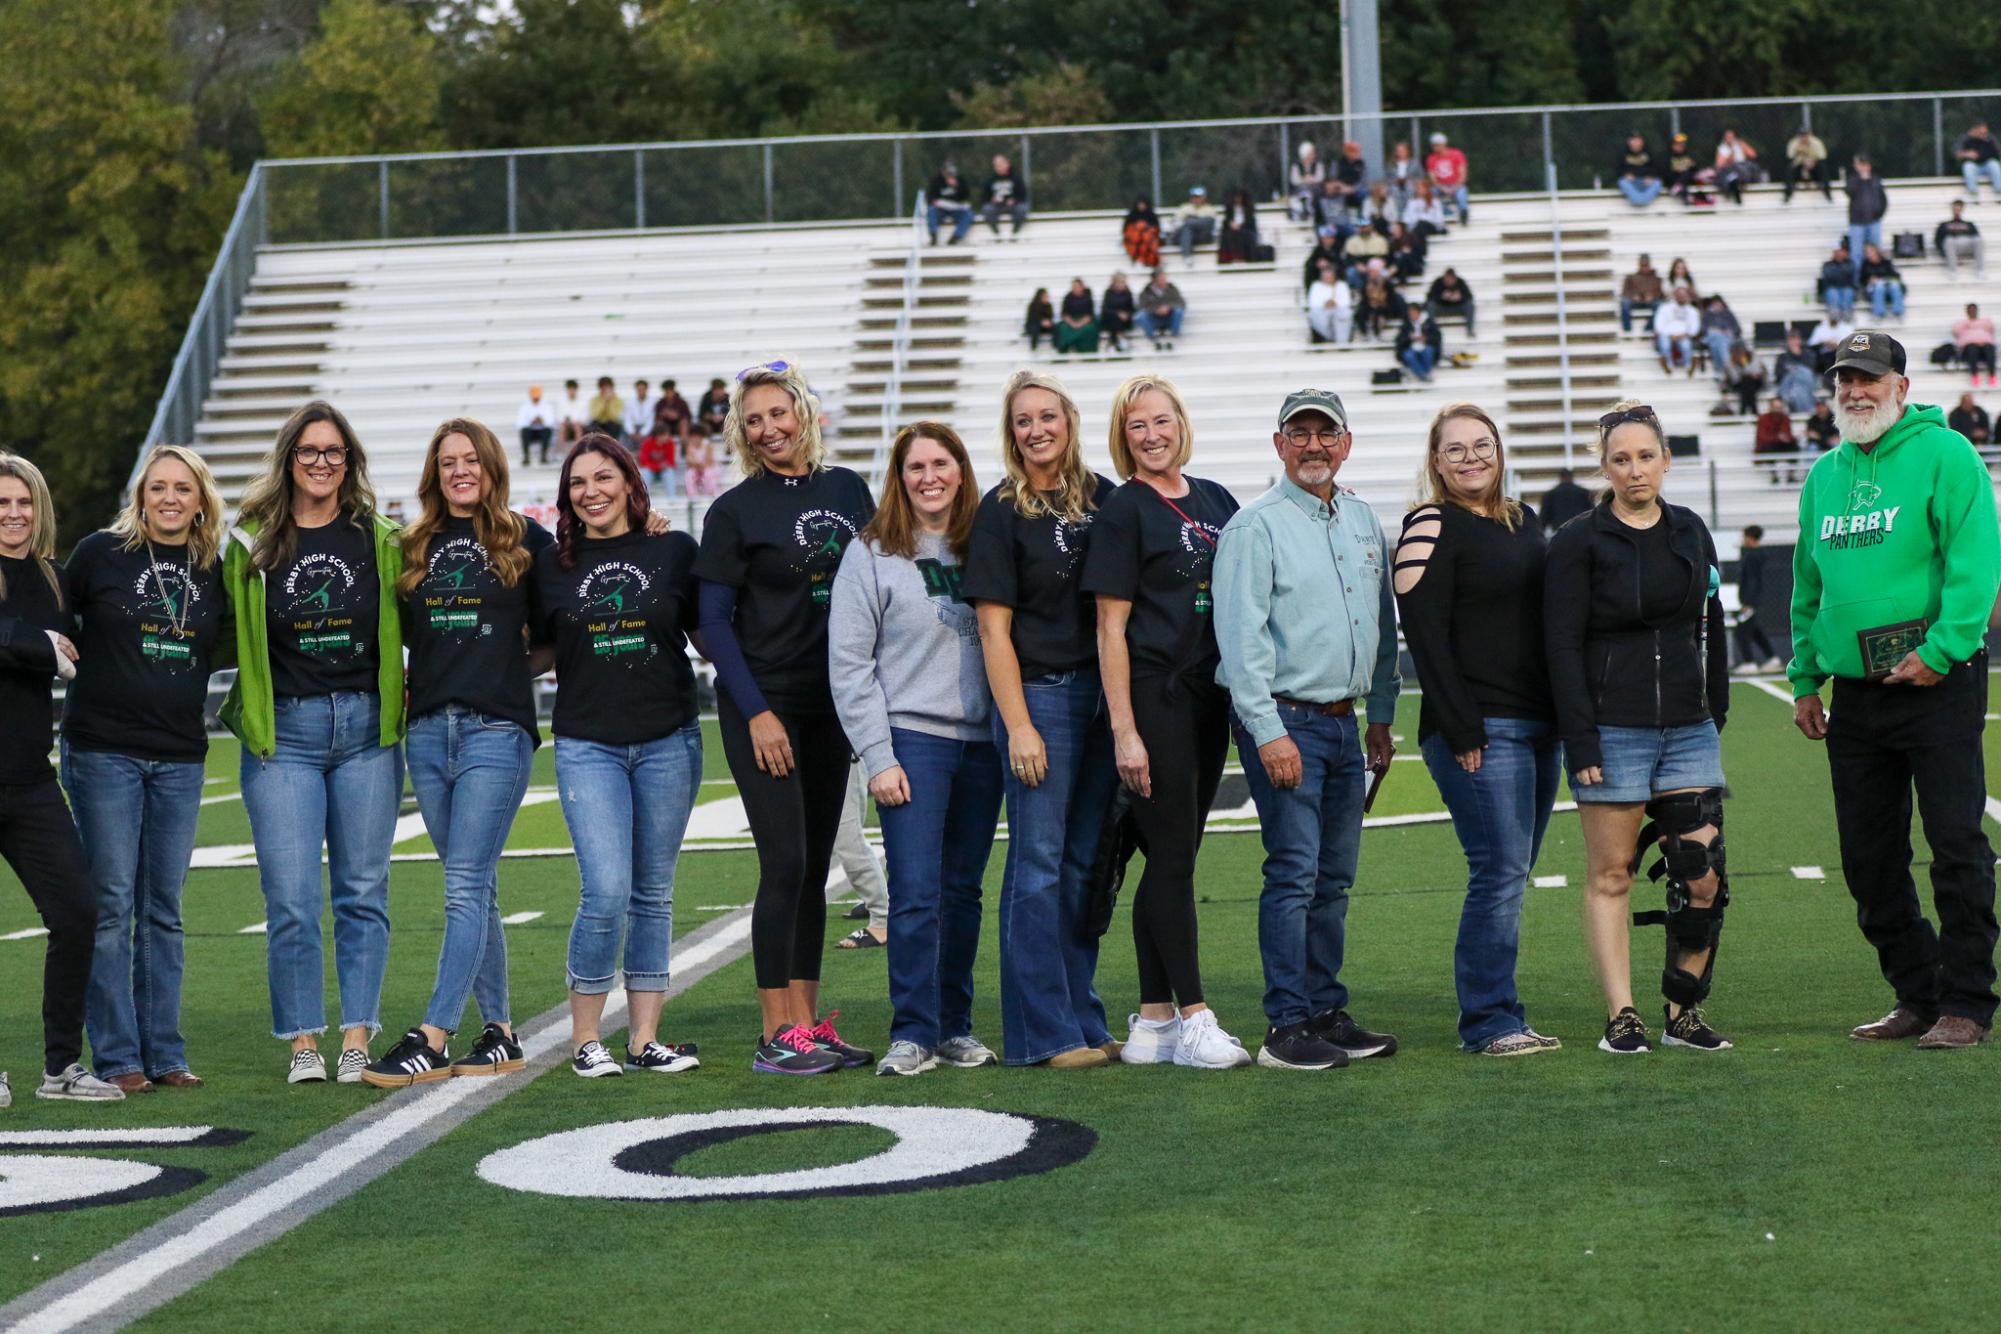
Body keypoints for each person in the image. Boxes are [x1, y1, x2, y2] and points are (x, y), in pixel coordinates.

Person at [1789, 331, 2001, 1049]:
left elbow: (1976, 564)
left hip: (1937, 685)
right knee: (1867, 859)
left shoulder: (1947, 455)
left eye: (1868, 378)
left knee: (1954, 844)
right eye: (1844, 378)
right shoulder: (1823, 475)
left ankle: (1967, 1002)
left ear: (1900, 388)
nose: (1854, 389)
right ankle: (1917, 993)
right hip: (1855, 695)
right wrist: (1802, 677)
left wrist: (1941, 651)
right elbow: (1806, 584)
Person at [696, 361, 877, 1075]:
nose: (768, 428)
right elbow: (711, 621)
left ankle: (807, 1022)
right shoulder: (734, 510)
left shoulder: (847, 489)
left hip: (831, 706)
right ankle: (775, 1032)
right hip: (763, 707)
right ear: (742, 433)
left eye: (778, 413)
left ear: (803, 412)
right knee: (785, 861)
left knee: (813, 868)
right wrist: (758, 713)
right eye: (754, 420)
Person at [360, 419, 553, 1086]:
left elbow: (559, 632)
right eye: (447, 462)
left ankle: (435, 1033)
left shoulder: (527, 540)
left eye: (471, 459)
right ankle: (499, 1032)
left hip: (495, 732)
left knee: (463, 885)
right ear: (434, 473)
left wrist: (502, 671)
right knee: (477, 885)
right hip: (428, 732)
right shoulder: (412, 545)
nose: (459, 470)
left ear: (492, 467)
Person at [1214, 389, 1400, 1071]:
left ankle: (1324, 1009)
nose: (1314, 445)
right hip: (1285, 718)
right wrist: (1268, 732)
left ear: (1345, 443)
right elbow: (1239, 643)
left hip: (1343, 723)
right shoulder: (1253, 526)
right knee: (1293, 872)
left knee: (1333, 878)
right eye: (1300, 433)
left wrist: (1380, 714)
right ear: (1279, 443)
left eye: (1326, 433)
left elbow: (1379, 628)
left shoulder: (1358, 519)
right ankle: (1285, 1025)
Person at [223, 401, 405, 1084]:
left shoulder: (380, 538)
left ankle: (357, 1034)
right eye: (309, 452)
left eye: (334, 452)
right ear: (288, 460)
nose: (322, 463)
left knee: (362, 891)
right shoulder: (251, 543)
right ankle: (304, 1042)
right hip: (285, 737)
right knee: (292, 898)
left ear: (350, 461)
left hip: (364, 732)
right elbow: (211, 621)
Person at [1544, 401, 1732, 1055]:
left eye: (1645, 456)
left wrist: (1717, 702)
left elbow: (1710, 620)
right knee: (1612, 875)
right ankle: (1621, 1014)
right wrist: (1580, 737)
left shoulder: (1690, 530)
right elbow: (1560, 645)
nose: (1633, 470)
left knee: (1701, 875)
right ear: (1604, 467)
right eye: (1620, 459)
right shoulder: (1576, 541)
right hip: (1610, 731)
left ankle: (1683, 1012)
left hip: (1687, 728)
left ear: (1665, 461)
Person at [1081, 375, 1251, 1069]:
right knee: (1173, 856)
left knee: (1171, 856)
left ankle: (1151, 1020)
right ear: (1122, 438)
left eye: (1160, 420)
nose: (1151, 435)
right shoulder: (1125, 508)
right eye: (1135, 426)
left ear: (1180, 422)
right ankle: (1193, 1015)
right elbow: (1109, 626)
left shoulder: (1215, 498)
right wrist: (1124, 728)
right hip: (1155, 696)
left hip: (1207, 698)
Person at [829, 422, 1001, 1074]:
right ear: (897, 478)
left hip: (983, 744)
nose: (929, 477)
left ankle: (954, 1026)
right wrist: (879, 754)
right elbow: (849, 664)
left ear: (960, 469)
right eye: (915, 466)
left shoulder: (984, 542)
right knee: (917, 894)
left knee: (962, 893)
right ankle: (912, 1030)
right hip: (912, 740)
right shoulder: (871, 552)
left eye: (941, 463)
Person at [962, 369, 1119, 1069]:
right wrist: (1018, 723)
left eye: (1047, 417)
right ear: (1011, 431)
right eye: (1023, 420)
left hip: (1101, 699)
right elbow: (992, 631)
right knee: (1037, 866)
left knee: (1085, 867)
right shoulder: (999, 511)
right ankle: (1042, 1034)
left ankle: (1082, 1016)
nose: (1036, 430)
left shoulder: (1104, 500)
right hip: (1041, 697)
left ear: (1069, 420)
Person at [535, 436, 705, 1078]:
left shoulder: (673, 549)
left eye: (603, 477)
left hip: (669, 739)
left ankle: (643, 1039)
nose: (591, 492)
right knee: (606, 890)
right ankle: (585, 1039)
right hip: (587, 745)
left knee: (653, 892)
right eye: (578, 483)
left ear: (630, 483)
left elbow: (707, 634)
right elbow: (535, 649)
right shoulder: (552, 562)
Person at [60, 445, 228, 1094]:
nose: (169, 498)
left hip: (181, 756)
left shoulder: (211, 567)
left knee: (163, 908)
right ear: (140, 496)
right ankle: (117, 1056)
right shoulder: (100, 554)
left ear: (199, 498)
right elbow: (51, 616)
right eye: (157, 487)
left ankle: (165, 1052)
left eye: (182, 488)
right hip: (104, 751)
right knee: (110, 905)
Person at [1395, 405, 1561, 1055]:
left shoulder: (1524, 521)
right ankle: (1489, 1021)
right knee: (1495, 868)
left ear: (1499, 450)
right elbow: (1423, 634)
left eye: (1481, 445)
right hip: (1478, 729)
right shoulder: (1430, 521)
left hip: (1537, 726)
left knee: (1510, 870)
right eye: (1454, 449)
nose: (1470, 458)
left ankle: (1502, 1011)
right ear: (1435, 461)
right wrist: (1463, 728)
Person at [0, 452, 124, 1103]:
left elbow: (84, 632)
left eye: (24, 502)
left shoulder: (52, 577)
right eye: (2, 504)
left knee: (77, 911)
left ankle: (60, 1068)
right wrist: (39, 648)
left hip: (28, 778)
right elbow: (33, 643)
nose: (15, 514)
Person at [1731, 525, 1783, 674]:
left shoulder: (1752, 555)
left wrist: (1747, 602)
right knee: (1755, 631)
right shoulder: (1759, 554)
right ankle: (1772, 659)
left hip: (1750, 602)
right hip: (1754, 599)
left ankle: (1749, 662)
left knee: (1741, 631)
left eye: (1744, 536)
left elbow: (1752, 580)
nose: (1743, 539)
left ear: (1750, 537)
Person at [1846, 156, 1888, 283]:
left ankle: (1877, 279)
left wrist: (1878, 214)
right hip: (1857, 223)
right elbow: (1849, 192)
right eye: (1860, 165)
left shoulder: (1875, 180)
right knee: (1856, 254)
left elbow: (1883, 200)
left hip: (1874, 222)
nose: (1863, 167)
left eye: (1865, 164)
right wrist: (1861, 179)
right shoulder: (1853, 179)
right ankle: (1856, 283)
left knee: (1876, 253)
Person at [1653, 287, 1701, 374]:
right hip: (1667, 334)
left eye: (1684, 295)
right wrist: (1670, 335)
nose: (1682, 297)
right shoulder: (1665, 308)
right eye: (1680, 295)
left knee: (1686, 346)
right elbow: (1659, 324)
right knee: (1665, 345)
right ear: (1675, 296)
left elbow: (1694, 328)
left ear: (1687, 297)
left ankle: (1689, 366)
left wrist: (1684, 335)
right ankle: (1668, 365)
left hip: (1684, 335)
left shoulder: (1692, 311)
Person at [979, 154, 1028, 238]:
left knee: (1022, 208)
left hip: (1013, 205)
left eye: (1001, 164)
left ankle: (1014, 233)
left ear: (1007, 164)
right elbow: (984, 197)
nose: (999, 167)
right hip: (996, 206)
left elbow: (1023, 195)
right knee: (987, 209)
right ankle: (997, 233)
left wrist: (1014, 200)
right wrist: (991, 200)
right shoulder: (991, 180)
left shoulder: (1016, 178)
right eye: (996, 165)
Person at [1935, 199, 1984, 280]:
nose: (1957, 210)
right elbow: (1938, 240)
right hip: (1952, 245)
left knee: (1978, 239)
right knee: (1949, 240)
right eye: (1955, 207)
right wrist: (1944, 254)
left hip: (1967, 245)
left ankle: (1980, 270)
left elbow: (1977, 237)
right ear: (1952, 208)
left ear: (1962, 209)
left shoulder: (1969, 224)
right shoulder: (1944, 225)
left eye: (1959, 207)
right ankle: (1952, 270)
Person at [925, 161, 973, 245]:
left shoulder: (960, 180)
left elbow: (966, 196)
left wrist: (957, 186)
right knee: (931, 210)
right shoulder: (936, 180)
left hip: (957, 209)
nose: (950, 176)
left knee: (969, 214)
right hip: (941, 209)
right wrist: (934, 201)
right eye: (948, 174)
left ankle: (956, 237)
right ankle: (933, 236)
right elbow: (929, 197)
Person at [1137, 268, 1185, 351]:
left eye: (1164, 278)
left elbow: (1181, 303)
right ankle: (1152, 338)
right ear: (1154, 280)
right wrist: (1156, 310)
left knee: (1179, 311)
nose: (1164, 281)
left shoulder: (1172, 289)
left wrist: (1168, 307)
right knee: (1139, 316)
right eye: (1161, 279)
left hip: (1169, 318)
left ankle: (1174, 335)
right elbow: (1142, 306)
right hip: (1154, 318)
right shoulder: (1146, 292)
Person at [1426, 131, 1469, 222]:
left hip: (1455, 184)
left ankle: (1463, 212)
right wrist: (1442, 188)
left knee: (1461, 192)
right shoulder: (1431, 158)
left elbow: (1462, 174)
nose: (1434, 147)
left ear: (1443, 144)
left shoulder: (1457, 154)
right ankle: (1448, 212)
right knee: (1430, 193)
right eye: (1433, 145)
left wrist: (1455, 187)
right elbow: (1432, 177)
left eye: (1436, 145)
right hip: (1441, 186)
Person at [1305, 259, 1352, 345]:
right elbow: (1313, 302)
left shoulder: (1341, 285)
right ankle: (1321, 338)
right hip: (1322, 311)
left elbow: (1346, 302)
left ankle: (1342, 341)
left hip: (1338, 310)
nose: (1328, 278)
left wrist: (1335, 303)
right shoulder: (1316, 286)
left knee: (1346, 313)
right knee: (1313, 314)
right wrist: (1325, 304)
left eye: (1330, 276)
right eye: (1325, 276)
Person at [1395, 301, 1443, 382]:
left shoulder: (1429, 323)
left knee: (1429, 351)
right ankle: (1424, 375)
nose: (1411, 315)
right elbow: (1399, 339)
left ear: (1419, 312)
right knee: (1408, 355)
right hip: (1411, 347)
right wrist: (1409, 338)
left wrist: (1426, 339)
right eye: (1409, 313)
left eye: (1413, 312)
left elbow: (1437, 337)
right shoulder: (1406, 324)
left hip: (1426, 346)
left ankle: (1423, 375)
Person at [1774, 329, 1820, 414]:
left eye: (1795, 339)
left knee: (1800, 371)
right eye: (1791, 339)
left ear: (1799, 340)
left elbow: (1811, 371)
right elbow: (1778, 374)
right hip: (1790, 385)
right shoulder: (1783, 357)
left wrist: (1795, 367)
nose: (1793, 342)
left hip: (1807, 382)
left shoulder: (1809, 354)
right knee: (1797, 389)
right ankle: (1807, 411)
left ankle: (1790, 401)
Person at [1753, 396, 1797, 481]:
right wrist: (1778, 437)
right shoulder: (1763, 419)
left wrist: (1788, 438)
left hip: (1780, 444)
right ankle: (1774, 475)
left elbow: (1787, 433)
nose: (1778, 410)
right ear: (1771, 407)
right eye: (1776, 407)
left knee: (1794, 446)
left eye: (1780, 407)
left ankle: (1790, 475)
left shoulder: (1785, 418)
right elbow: (1763, 437)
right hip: (1769, 445)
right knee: (1768, 448)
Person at [1167, 186, 1215, 264]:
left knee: (1191, 224)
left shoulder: (1209, 209)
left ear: (1204, 197)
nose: (1196, 199)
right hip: (1184, 236)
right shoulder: (1184, 208)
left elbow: (1209, 225)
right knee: (1187, 229)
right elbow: (1175, 222)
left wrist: (1190, 221)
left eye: (1199, 197)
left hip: (1201, 237)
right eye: (1194, 197)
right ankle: (1187, 256)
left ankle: (1187, 256)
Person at [1782, 127, 1832, 202]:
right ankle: (1788, 193)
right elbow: (1790, 157)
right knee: (1790, 170)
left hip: (1814, 165)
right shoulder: (1794, 143)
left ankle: (1827, 191)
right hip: (1799, 165)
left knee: (1823, 169)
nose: (1803, 138)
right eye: (1801, 136)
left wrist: (1813, 162)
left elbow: (1822, 157)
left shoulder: (1816, 143)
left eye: (1805, 135)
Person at [1713, 128, 1761, 205]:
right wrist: (1730, 155)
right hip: (1730, 169)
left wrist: (1743, 145)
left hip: (1743, 168)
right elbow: (1719, 165)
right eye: (1728, 137)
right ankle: (1735, 184)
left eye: (1732, 137)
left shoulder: (1740, 144)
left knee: (1751, 167)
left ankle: (1740, 181)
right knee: (1733, 170)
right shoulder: (1722, 148)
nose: (1730, 139)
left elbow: (1753, 155)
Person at [1698, 295, 1743, 377]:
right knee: (1717, 337)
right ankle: (1728, 365)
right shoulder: (1707, 315)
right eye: (1715, 304)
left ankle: (1719, 369)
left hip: (1727, 338)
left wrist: (1727, 331)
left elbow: (1737, 329)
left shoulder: (1728, 314)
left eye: (1719, 304)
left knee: (1717, 343)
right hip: (1711, 337)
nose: (1717, 306)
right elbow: (1703, 330)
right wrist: (1716, 331)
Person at [1955, 120, 2001, 200]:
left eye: (1985, 132)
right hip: (1973, 166)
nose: (1984, 135)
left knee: (1994, 164)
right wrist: (1967, 154)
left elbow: (1998, 151)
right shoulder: (1964, 138)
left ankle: (1999, 190)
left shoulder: (1990, 138)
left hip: (1987, 165)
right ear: (1975, 130)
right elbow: (1956, 153)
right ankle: (1973, 193)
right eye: (1981, 132)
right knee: (1968, 166)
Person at [1953, 302, 1996, 385]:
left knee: (1989, 348)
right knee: (1972, 348)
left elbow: (1991, 330)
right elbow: (1956, 332)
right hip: (1970, 349)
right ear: (1967, 312)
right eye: (1970, 310)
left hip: (1984, 348)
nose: (1972, 312)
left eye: (1974, 310)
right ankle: (1975, 376)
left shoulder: (1985, 321)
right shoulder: (1962, 323)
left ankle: (1992, 375)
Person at [1615, 132, 1661, 207]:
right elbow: (1618, 170)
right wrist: (1626, 174)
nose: (1636, 143)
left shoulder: (1649, 153)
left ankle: (1642, 200)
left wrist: (1650, 176)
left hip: (1646, 182)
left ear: (1642, 142)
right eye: (1633, 140)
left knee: (1657, 182)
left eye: (1638, 140)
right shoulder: (1623, 154)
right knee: (1622, 182)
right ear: (1629, 142)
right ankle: (1639, 201)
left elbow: (1656, 168)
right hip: (1632, 183)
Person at [1860, 243, 1905, 321]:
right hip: (1872, 288)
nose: (1869, 254)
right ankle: (1879, 313)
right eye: (1867, 253)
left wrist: (1885, 278)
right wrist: (1870, 280)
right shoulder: (1865, 264)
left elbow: (1896, 275)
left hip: (1887, 285)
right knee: (1879, 286)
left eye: (1871, 252)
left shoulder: (1886, 262)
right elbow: (1861, 280)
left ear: (1877, 252)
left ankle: (1898, 312)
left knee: (1894, 286)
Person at [1425, 268, 1474, 337]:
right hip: (1442, 308)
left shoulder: (1460, 283)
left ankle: (1470, 330)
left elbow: (1469, 297)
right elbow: (1429, 297)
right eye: (1447, 279)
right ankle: (1431, 329)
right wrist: (1441, 297)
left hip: (1457, 308)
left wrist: (1460, 297)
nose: (1449, 282)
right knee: (1430, 305)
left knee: (1470, 305)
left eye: (1451, 280)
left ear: (1455, 279)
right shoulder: (1438, 282)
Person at [1621, 255, 1664, 334]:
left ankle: (1648, 328)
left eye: (1646, 265)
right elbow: (1625, 292)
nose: (1644, 267)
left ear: (1649, 265)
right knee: (1624, 302)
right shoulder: (1631, 277)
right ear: (1639, 265)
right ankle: (1627, 329)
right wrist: (1633, 296)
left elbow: (1661, 293)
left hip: (1650, 302)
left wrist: (1653, 297)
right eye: (1642, 265)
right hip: (1635, 302)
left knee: (1660, 305)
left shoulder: (1656, 279)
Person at [1539, 468, 1592, 533]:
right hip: (1580, 532)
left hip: (1559, 532)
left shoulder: (1550, 495)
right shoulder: (1584, 493)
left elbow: (1543, 519)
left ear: (1561, 478)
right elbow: (1591, 515)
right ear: (1572, 477)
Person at [1807, 306, 1856, 375]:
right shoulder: (1820, 328)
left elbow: (1853, 344)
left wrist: (1839, 345)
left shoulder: (1847, 328)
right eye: (1832, 317)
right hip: (1824, 356)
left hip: (1841, 354)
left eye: (1835, 318)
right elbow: (1811, 343)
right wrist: (1824, 343)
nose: (1833, 320)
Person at [1055, 278, 1098, 355]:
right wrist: (1073, 323)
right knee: (1062, 328)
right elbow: (1065, 314)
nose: (1075, 288)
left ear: (1082, 287)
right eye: (1074, 286)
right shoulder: (1068, 298)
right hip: (1070, 321)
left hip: (1084, 321)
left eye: (1077, 286)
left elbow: (1089, 315)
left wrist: (1080, 324)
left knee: (1090, 329)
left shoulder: (1087, 298)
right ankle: (1063, 350)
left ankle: (1087, 352)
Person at [1356, 266, 1399, 343]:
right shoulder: (1366, 283)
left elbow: (1391, 299)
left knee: (1377, 312)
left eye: (1374, 272)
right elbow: (1363, 300)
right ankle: (1364, 333)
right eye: (1371, 272)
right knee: (1360, 311)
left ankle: (1376, 334)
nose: (1372, 274)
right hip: (1370, 306)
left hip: (1384, 307)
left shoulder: (1386, 283)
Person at [1217, 189, 1259, 265]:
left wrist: (1241, 225)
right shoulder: (1229, 209)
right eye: (1236, 197)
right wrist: (1230, 224)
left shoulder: (1249, 209)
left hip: (1246, 230)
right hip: (1232, 230)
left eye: (1239, 197)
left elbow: (1251, 222)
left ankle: (1242, 257)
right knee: (1229, 236)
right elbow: (1225, 222)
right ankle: (1232, 258)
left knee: (1242, 234)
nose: (1238, 199)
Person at [517, 384, 555, 467]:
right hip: (531, 431)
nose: (535, 398)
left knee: (547, 431)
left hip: (542, 430)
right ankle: (526, 456)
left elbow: (550, 422)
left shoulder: (546, 406)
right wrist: (531, 422)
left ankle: (544, 456)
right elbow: (520, 423)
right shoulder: (524, 407)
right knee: (524, 431)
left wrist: (541, 421)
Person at [1664, 132, 1706, 205]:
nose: (1681, 146)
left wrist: (1693, 166)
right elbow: (1665, 173)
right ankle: (1679, 188)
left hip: (1686, 181)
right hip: (1673, 180)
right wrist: (1678, 170)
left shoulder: (1688, 155)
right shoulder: (1667, 156)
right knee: (1684, 174)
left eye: (1682, 144)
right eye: (1678, 144)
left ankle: (1680, 187)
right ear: (1672, 145)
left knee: (1691, 173)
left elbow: (1696, 171)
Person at [1724, 344, 1769, 415]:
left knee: (1748, 381)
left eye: (1741, 352)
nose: (1740, 354)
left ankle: (1743, 410)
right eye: (1737, 352)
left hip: (1756, 383)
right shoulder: (1729, 363)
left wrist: (1745, 365)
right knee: (1746, 380)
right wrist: (1745, 371)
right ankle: (1754, 410)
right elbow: (1735, 379)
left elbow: (1758, 373)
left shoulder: (1754, 358)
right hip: (1739, 385)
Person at [1817, 245, 1857, 321]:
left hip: (1846, 288)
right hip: (1832, 288)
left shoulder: (1850, 263)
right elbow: (1828, 276)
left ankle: (1846, 313)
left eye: (1841, 252)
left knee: (1848, 292)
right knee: (1832, 292)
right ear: (1834, 253)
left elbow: (1850, 274)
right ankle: (1835, 314)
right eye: (1837, 252)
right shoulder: (1827, 264)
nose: (1839, 254)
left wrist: (1838, 273)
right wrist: (1841, 274)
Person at [1099, 272, 1136, 354]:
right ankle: (1120, 338)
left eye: (1124, 282)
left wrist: (1127, 314)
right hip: (1111, 319)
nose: (1123, 284)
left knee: (1118, 319)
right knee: (1114, 318)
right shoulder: (1108, 293)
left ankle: (1113, 343)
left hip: (1125, 321)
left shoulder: (1128, 293)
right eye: (1121, 282)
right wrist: (1117, 313)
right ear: (1115, 282)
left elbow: (1132, 308)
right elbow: (1105, 309)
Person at [1288, 141, 1325, 220]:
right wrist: (1304, 180)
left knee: (1313, 190)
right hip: (1300, 189)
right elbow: (1294, 180)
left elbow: (1320, 178)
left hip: (1314, 190)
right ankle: (1302, 208)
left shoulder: (1318, 165)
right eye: (1311, 153)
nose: (1313, 155)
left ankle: (1307, 207)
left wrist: (1311, 179)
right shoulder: (1296, 166)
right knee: (1302, 189)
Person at [1301, 228, 1344, 294]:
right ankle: (1310, 293)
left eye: (1330, 238)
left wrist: (1329, 264)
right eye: (1325, 238)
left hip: (1335, 272)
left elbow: (1341, 264)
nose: (1327, 240)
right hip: (1320, 273)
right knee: (1309, 270)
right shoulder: (1318, 249)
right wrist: (1317, 264)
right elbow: (1308, 263)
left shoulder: (1338, 248)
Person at [1122, 198, 1161, 268]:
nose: (1141, 206)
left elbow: (1156, 230)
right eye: (1140, 204)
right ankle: (1139, 259)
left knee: (1148, 241)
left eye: (1143, 204)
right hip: (1135, 240)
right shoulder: (1132, 215)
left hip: (1147, 239)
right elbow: (1126, 230)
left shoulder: (1151, 215)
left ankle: (1145, 260)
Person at [621, 378, 656, 451]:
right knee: (623, 437)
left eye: (643, 389)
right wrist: (631, 432)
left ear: (646, 389)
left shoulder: (653, 402)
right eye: (639, 389)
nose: (641, 391)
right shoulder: (630, 402)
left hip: (646, 429)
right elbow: (627, 419)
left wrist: (642, 433)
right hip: (633, 428)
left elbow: (651, 420)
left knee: (648, 439)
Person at [557, 379, 589, 454]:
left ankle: (578, 452)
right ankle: (561, 453)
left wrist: (575, 422)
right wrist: (565, 421)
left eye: (573, 389)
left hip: (579, 426)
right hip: (566, 426)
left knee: (577, 427)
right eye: (569, 389)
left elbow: (585, 418)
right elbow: (559, 417)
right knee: (562, 427)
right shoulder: (561, 401)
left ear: (576, 390)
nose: (571, 391)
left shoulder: (583, 401)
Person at [1024, 286, 1056, 352]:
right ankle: (1033, 348)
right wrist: (1041, 322)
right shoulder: (1032, 305)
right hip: (1033, 325)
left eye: (1047, 296)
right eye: (1045, 296)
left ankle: (1055, 346)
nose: (1047, 297)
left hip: (1044, 326)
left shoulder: (1049, 305)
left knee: (1056, 327)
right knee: (1035, 327)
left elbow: (1050, 317)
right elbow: (1031, 318)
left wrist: (1048, 322)